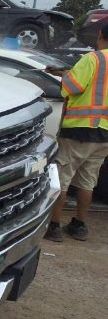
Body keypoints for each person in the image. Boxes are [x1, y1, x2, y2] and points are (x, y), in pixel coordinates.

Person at [45, 23, 108, 242]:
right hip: (104, 134)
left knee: (62, 179)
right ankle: (80, 225)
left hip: (79, 130)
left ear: (100, 34)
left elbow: (72, 88)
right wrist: (64, 72)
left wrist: (65, 78)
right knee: (87, 181)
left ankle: (54, 226)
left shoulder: (94, 58)